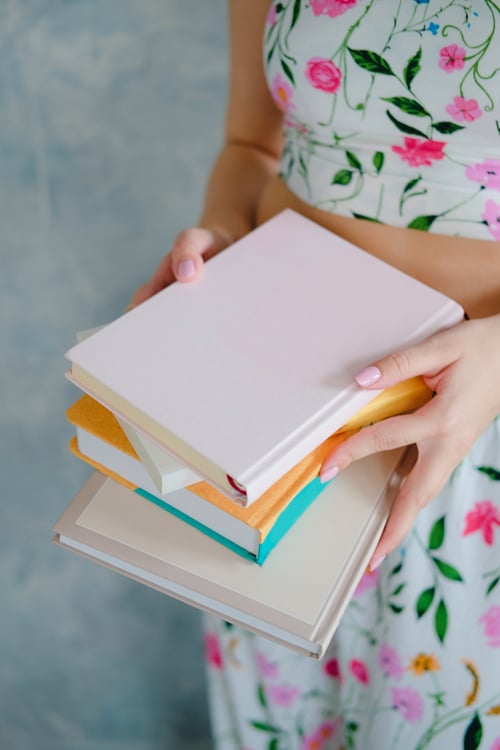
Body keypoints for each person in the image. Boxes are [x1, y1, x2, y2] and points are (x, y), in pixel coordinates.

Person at [131, 1, 500, 747]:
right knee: (284, 718)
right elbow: (249, 144)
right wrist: (220, 241)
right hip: (272, 421)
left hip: (472, 440)